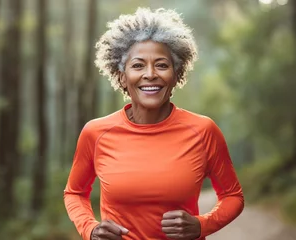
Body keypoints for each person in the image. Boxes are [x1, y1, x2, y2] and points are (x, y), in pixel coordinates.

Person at [63, 7, 244, 240]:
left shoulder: (203, 130)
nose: (150, 74)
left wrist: (202, 225)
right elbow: (74, 192)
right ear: (121, 76)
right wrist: (90, 229)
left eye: (161, 65)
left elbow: (233, 196)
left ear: (176, 75)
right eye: (138, 65)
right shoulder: (96, 133)